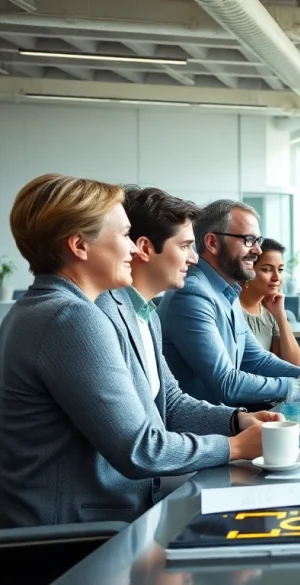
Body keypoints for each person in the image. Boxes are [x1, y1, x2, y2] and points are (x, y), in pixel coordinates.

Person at [0, 175, 269, 528]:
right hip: (77, 535)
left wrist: (234, 422)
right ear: (80, 246)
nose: (133, 249)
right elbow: (139, 449)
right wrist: (236, 447)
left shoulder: (56, 308)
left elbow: (167, 405)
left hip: (104, 515)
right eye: (124, 235)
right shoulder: (72, 318)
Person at [158, 200, 300, 408]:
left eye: (258, 240)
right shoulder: (192, 294)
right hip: (206, 430)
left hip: (232, 418)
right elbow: (228, 384)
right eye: (248, 240)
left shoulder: (227, 290)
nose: (258, 250)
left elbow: (256, 359)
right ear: (212, 243)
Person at [237, 238, 300, 366]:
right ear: (248, 269)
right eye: (267, 269)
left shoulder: (270, 312)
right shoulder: (231, 308)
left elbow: (293, 363)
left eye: (280, 270)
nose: (276, 277)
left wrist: (280, 315)